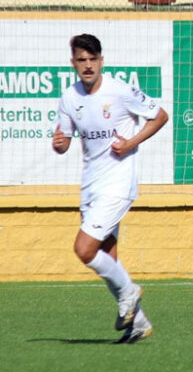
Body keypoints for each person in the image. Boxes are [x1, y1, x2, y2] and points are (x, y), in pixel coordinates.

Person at [52, 34, 169, 344]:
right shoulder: (69, 97)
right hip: (90, 185)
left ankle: (130, 292)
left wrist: (131, 142)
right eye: (81, 60)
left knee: (84, 249)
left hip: (118, 184)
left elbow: (160, 116)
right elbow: (62, 140)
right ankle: (139, 324)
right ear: (73, 63)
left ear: (101, 61)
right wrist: (59, 143)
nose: (88, 66)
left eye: (93, 60)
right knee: (107, 257)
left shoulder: (119, 90)